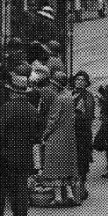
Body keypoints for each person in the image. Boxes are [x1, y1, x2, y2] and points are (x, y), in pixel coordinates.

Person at [0, 79, 41, 216]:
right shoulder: (33, 111)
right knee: (20, 197)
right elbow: (37, 138)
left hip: (4, 159)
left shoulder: (6, 109)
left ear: (12, 92)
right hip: (24, 159)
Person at [41, 72, 79, 206]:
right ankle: (69, 194)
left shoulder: (59, 99)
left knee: (56, 167)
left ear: (55, 84)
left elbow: (53, 120)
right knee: (66, 166)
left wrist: (44, 135)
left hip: (57, 136)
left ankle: (57, 197)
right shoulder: (69, 97)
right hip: (69, 136)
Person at [70, 70, 95, 198]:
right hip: (71, 132)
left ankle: (81, 188)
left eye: (82, 80)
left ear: (86, 83)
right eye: (77, 79)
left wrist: (74, 116)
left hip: (83, 133)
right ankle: (75, 189)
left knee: (82, 161)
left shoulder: (88, 97)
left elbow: (88, 116)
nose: (79, 82)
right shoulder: (70, 94)